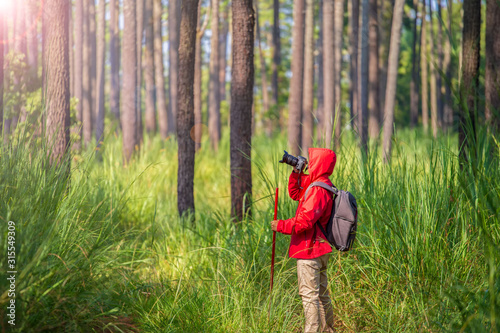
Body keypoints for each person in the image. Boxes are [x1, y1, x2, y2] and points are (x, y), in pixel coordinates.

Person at [271, 147, 336, 333]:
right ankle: (327, 330)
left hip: (310, 252)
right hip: (320, 250)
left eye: (312, 161)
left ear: (319, 164)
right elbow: (295, 193)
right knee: (322, 295)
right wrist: (296, 171)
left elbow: (304, 222)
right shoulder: (321, 184)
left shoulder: (318, 191)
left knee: (309, 296)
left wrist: (281, 226)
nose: (310, 163)